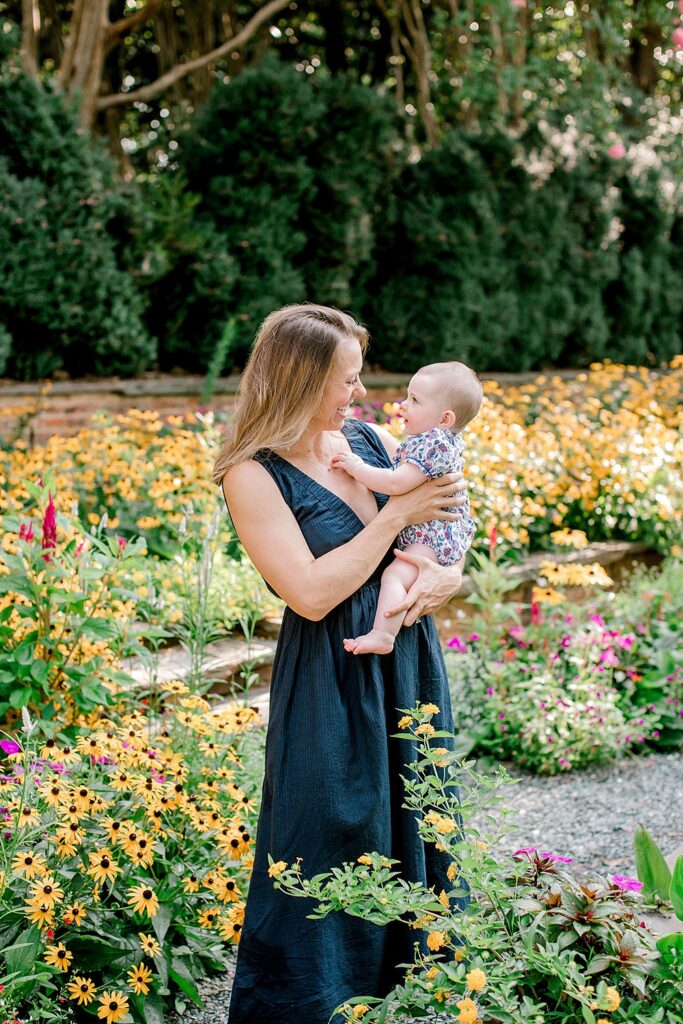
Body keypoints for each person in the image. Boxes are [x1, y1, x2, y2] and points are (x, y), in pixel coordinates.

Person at [212, 303, 470, 1024]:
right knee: (325, 829)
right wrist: (390, 519)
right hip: (328, 674)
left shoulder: (370, 440)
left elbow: (447, 530)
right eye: (345, 381)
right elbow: (312, 593)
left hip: (404, 659)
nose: (359, 397)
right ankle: (310, 1005)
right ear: (296, 380)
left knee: (414, 819)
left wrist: (449, 579)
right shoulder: (252, 475)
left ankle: (412, 999)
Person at [332, 361, 482, 655]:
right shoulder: (438, 440)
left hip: (429, 535)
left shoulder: (433, 443)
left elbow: (396, 483)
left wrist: (356, 467)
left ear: (444, 418)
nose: (404, 405)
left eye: (414, 400)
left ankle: (382, 635)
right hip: (438, 531)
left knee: (396, 576)